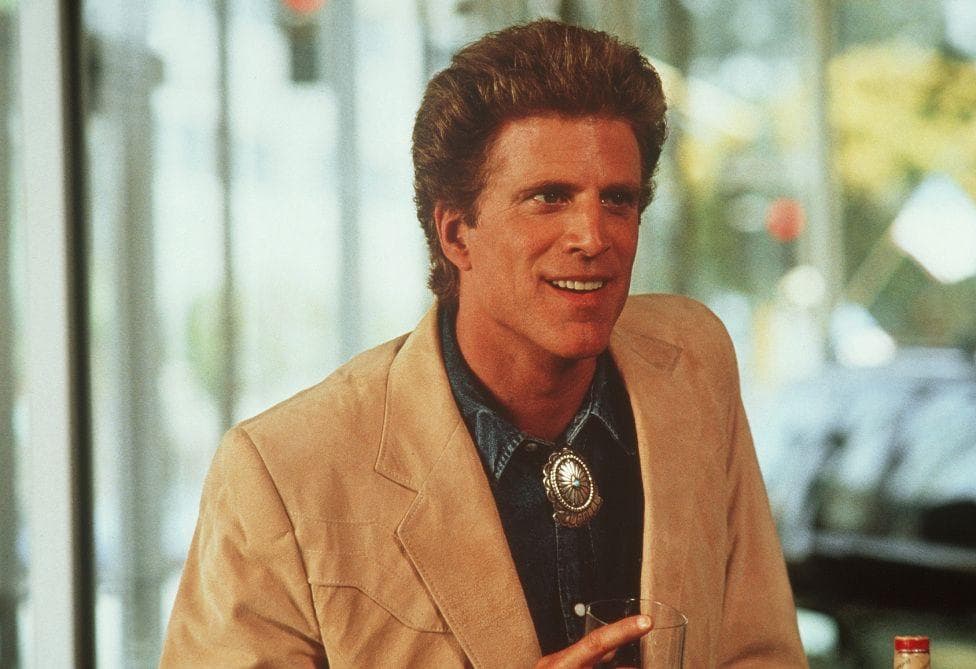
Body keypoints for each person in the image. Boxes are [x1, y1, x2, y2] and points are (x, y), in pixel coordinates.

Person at [160, 19, 806, 668]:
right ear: (455, 233)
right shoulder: (282, 471)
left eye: (618, 199)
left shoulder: (692, 359)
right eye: (548, 198)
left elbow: (761, 652)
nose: (593, 236)